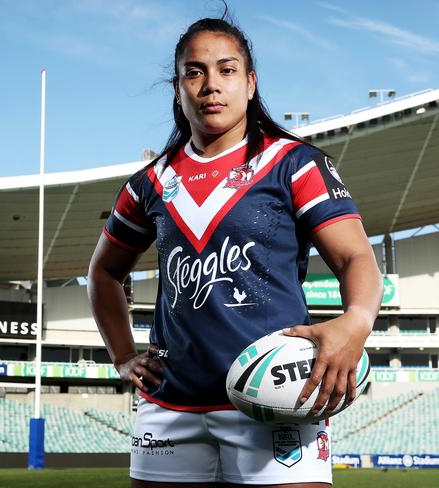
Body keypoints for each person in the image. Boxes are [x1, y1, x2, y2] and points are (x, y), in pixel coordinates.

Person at [88, 12, 383, 488]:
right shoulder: (150, 184)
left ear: (250, 84)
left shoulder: (295, 164)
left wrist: (357, 321)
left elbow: (355, 257)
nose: (210, 86)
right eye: (194, 72)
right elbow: (103, 274)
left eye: (226, 70)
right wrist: (123, 355)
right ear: (178, 89)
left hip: (279, 398)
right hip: (169, 406)